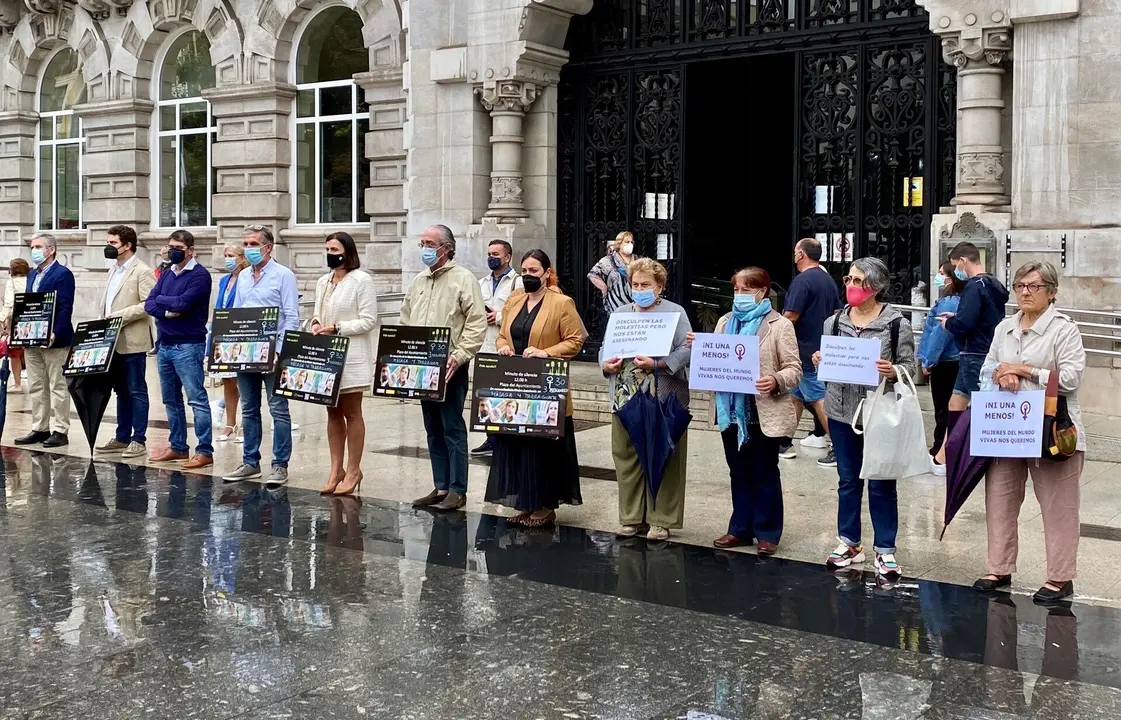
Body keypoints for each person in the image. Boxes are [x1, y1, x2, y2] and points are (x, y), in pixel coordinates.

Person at [972, 261, 1087, 604]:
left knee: (1058, 506)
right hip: (1006, 426)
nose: (1024, 292)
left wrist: (1022, 370)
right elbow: (987, 367)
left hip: (1052, 429)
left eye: (1033, 286)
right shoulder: (1004, 327)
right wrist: (1000, 375)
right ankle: (999, 567)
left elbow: (1070, 378)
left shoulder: (1064, 329)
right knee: (1001, 499)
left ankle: (1060, 577)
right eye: (1020, 285)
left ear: (1051, 292)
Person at [812, 257, 915, 578]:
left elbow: (912, 368)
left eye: (859, 282)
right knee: (848, 479)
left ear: (876, 288)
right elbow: (828, 365)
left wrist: (893, 371)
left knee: (882, 481)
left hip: (878, 411)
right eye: (849, 279)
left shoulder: (896, 324)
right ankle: (849, 541)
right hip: (842, 411)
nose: (852, 287)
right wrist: (819, 360)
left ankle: (885, 549)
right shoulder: (834, 322)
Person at [485, 249, 586, 526]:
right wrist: (503, 346)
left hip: (545, 386)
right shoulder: (515, 300)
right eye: (525, 271)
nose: (529, 276)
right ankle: (526, 502)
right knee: (519, 444)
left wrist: (546, 352)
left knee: (542, 447)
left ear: (546, 273)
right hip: (515, 383)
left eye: (534, 271)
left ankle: (544, 507)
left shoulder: (562, 303)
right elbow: (503, 334)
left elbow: (576, 340)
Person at [706, 267, 801, 554]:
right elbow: (714, 358)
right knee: (738, 471)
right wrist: (700, 350)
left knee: (764, 472)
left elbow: (795, 369)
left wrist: (775, 380)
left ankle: (767, 531)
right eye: (736, 289)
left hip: (763, 410)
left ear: (762, 291)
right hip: (732, 412)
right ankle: (740, 529)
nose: (739, 295)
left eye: (746, 290)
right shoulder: (724, 322)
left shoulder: (779, 325)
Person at [601, 258, 692, 541]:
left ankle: (661, 519)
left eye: (646, 285)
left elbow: (688, 348)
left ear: (660, 286)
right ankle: (631, 518)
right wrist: (606, 365)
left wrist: (660, 363)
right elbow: (606, 347)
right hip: (625, 395)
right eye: (635, 284)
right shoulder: (620, 313)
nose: (639, 289)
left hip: (663, 395)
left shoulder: (675, 313)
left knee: (664, 456)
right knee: (626, 457)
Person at [403, 225, 487, 511]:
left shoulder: (464, 279)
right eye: (422, 242)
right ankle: (440, 486)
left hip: (451, 365)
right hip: (421, 366)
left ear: (446, 248)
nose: (424, 248)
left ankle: (457, 489)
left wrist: (460, 355)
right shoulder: (419, 281)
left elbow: (477, 323)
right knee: (432, 427)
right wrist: (400, 355)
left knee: (452, 426)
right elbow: (405, 321)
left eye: (430, 243)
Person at [222, 225, 299, 486]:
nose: (249, 249)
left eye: (254, 244)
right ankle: (250, 462)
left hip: (273, 354)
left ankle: (279, 465)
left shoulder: (283, 275)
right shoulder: (243, 276)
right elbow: (237, 315)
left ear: (268, 247)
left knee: (278, 409)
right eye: (246, 244)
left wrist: (280, 351)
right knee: (249, 408)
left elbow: (291, 316)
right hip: (246, 352)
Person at [311, 231, 378, 496]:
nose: (330, 253)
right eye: (327, 249)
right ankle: (335, 469)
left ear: (347, 251)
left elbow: (368, 320)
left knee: (352, 412)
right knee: (332, 412)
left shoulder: (362, 280)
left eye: (334, 249)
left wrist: (338, 327)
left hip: (351, 356)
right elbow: (317, 311)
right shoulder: (323, 281)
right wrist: (316, 323)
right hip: (328, 356)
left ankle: (353, 470)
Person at [933, 241, 1009, 469]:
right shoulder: (994, 284)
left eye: (956, 265)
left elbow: (965, 322)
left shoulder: (974, 287)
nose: (956, 270)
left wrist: (949, 323)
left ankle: (979, 456)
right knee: (956, 402)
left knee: (981, 406)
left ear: (964, 262)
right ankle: (944, 457)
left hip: (974, 351)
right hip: (983, 349)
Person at [144, 229, 215, 469]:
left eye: (178, 248)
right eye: (170, 246)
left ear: (191, 251)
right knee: (170, 400)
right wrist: (166, 309)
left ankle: (204, 450)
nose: (173, 251)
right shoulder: (166, 273)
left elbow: (184, 303)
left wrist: (164, 303)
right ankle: (178, 446)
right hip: (165, 344)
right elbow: (149, 302)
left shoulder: (200, 275)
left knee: (196, 399)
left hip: (188, 345)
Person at [94, 226, 154, 460]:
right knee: (121, 391)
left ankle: (138, 439)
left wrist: (119, 316)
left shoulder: (143, 271)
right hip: (111, 340)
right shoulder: (113, 270)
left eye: (113, 243)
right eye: (108, 242)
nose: (109, 247)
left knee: (136, 389)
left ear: (128, 245)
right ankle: (122, 436)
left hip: (133, 340)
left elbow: (148, 304)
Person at [781, 237, 841, 465]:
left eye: (796, 251)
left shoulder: (802, 281)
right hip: (821, 346)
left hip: (804, 349)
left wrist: (772, 331)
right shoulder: (827, 280)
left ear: (801, 255)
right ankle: (784, 441)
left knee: (817, 398)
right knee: (796, 396)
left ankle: (838, 446)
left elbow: (791, 316)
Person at [15, 234, 74, 448]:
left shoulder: (63, 274)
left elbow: (65, 307)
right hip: (32, 339)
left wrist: (55, 332)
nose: (34, 250)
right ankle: (40, 427)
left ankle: (60, 430)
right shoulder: (32, 274)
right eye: (33, 247)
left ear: (51, 250)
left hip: (54, 340)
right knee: (36, 385)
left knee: (58, 385)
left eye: (38, 246)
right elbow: (28, 306)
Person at [472, 239, 523, 457]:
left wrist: (499, 316)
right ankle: (491, 439)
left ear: (507, 257)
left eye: (495, 253)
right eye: (489, 253)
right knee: (487, 393)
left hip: (506, 344)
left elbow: (522, 311)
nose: (491, 257)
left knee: (507, 392)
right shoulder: (481, 282)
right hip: (485, 344)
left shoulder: (517, 282)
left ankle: (508, 439)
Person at [918, 261, 964, 475]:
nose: (937, 278)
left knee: (943, 408)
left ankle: (940, 449)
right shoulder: (960, 300)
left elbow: (939, 334)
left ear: (950, 278)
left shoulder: (948, 302)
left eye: (940, 274)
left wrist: (928, 360)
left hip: (946, 362)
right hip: (954, 360)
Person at [212, 243, 247, 442]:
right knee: (228, 381)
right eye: (225, 255)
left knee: (243, 382)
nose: (227, 258)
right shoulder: (225, 280)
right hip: (223, 333)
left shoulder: (247, 277)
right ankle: (229, 423)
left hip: (240, 332)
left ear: (241, 258)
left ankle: (244, 424)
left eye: (231, 255)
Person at [588, 231, 638, 314]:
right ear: (619, 243)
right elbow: (593, 275)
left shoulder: (638, 259)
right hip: (615, 304)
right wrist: (604, 288)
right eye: (627, 242)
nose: (630, 244)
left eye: (631, 242)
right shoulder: (609, 260)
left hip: (636, 305)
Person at [2, 258, 30, 392]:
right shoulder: (32, 280)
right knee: (32, 352)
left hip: (16, 322)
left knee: (15, 354)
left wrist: (2, 320)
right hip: (32, 321)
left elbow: (8, 304)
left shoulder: (11, 283)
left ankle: (17, 383)